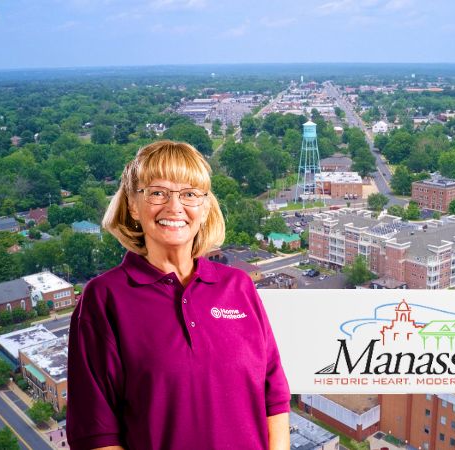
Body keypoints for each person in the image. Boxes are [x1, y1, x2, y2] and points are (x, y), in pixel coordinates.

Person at [67, 141, 291, 450]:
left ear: (205, 206)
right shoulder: (105, 298)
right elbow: (96, 433)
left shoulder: (238, 286)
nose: (175, 207)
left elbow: (275, 397)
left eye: (189, 194)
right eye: (158, 192)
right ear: (133, 204)